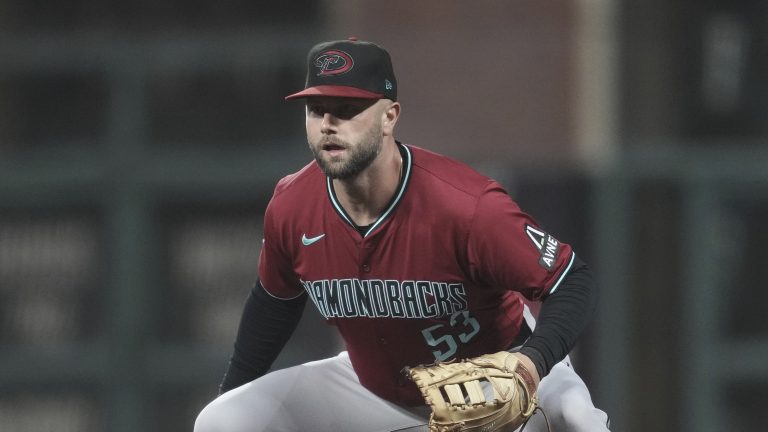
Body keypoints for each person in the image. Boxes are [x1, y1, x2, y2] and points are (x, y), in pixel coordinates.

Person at [194, 37, 610, 432]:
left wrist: (532, 364)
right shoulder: (291, 205)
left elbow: (572, 280)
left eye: (348, 108)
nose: (328, 124)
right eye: (316, 109)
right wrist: (236, 393)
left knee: (581, 422)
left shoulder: (466, 205)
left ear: (390, 116)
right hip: (371, 392)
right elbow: (273, 304)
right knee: (223, 420)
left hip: (492, 388)